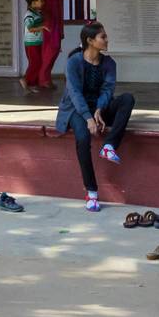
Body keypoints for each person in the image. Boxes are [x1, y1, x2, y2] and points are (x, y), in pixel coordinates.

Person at [57, 21, 135, 210]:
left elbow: (108, 89)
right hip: (76, 109)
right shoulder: (74, 62)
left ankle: (109, 145)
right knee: (83, 138)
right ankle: (91, 192)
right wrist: (88, 117)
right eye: (103, 37)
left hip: (97, 109)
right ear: (90, 41)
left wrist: (100, 109)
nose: (107, 40)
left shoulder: (109, 63)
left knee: (127, 99)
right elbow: (74, 93)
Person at [26, 0, 65, 89]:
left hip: (55, 15)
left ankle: (43, 78)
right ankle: (41, 78)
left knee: (54, 47)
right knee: (49, 48)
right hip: (44, 15)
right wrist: (38, 15)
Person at [21, 0, 46, 93]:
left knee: (37, 63)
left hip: (37, 42)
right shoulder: (29, 15)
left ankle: (31, 84)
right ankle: (25, 80)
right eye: (41, 0)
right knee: (35, 63)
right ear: (33, 2)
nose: (43, 2)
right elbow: (30, 28)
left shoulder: (36, 13)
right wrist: (43, 27)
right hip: (31, 43)